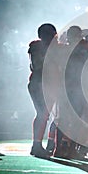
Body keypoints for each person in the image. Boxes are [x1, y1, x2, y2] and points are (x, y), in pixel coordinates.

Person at [28, 23, 59, 158]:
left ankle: (38, 144)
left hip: (45, 83)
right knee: (42, 114)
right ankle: (36, 145)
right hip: (40, 83)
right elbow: (37, 65)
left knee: (43, 115)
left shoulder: (48, 47)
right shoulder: (37, 47)